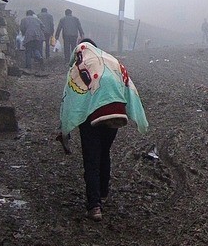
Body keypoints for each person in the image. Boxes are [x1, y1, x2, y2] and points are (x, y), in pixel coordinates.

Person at [58, 39, 149, 222]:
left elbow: (71, 98)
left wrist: (65, 126)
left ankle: (94, 206)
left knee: (91, 158)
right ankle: (103, 192)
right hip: (116, 114)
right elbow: (128, 87)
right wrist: (135, 115)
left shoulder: (81, 64)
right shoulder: (112, 61)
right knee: (104, 152)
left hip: (93, 117)